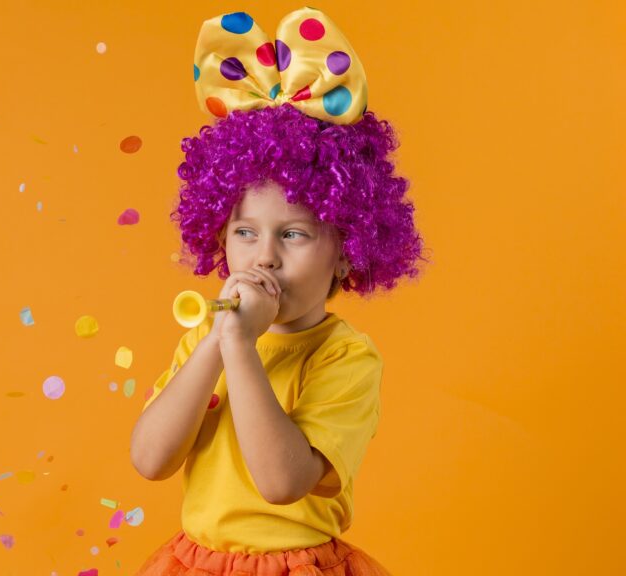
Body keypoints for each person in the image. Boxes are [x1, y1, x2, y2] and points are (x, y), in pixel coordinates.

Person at [130, 7, 429, 575]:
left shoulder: (345, 357)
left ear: (347, 251)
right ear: (220, 235)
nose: (264, 256)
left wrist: (240, 346)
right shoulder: (207, 338)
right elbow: (150, 459)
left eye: (292, 234)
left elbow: (281, 481)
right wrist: (216, 343)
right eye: (245, 232)